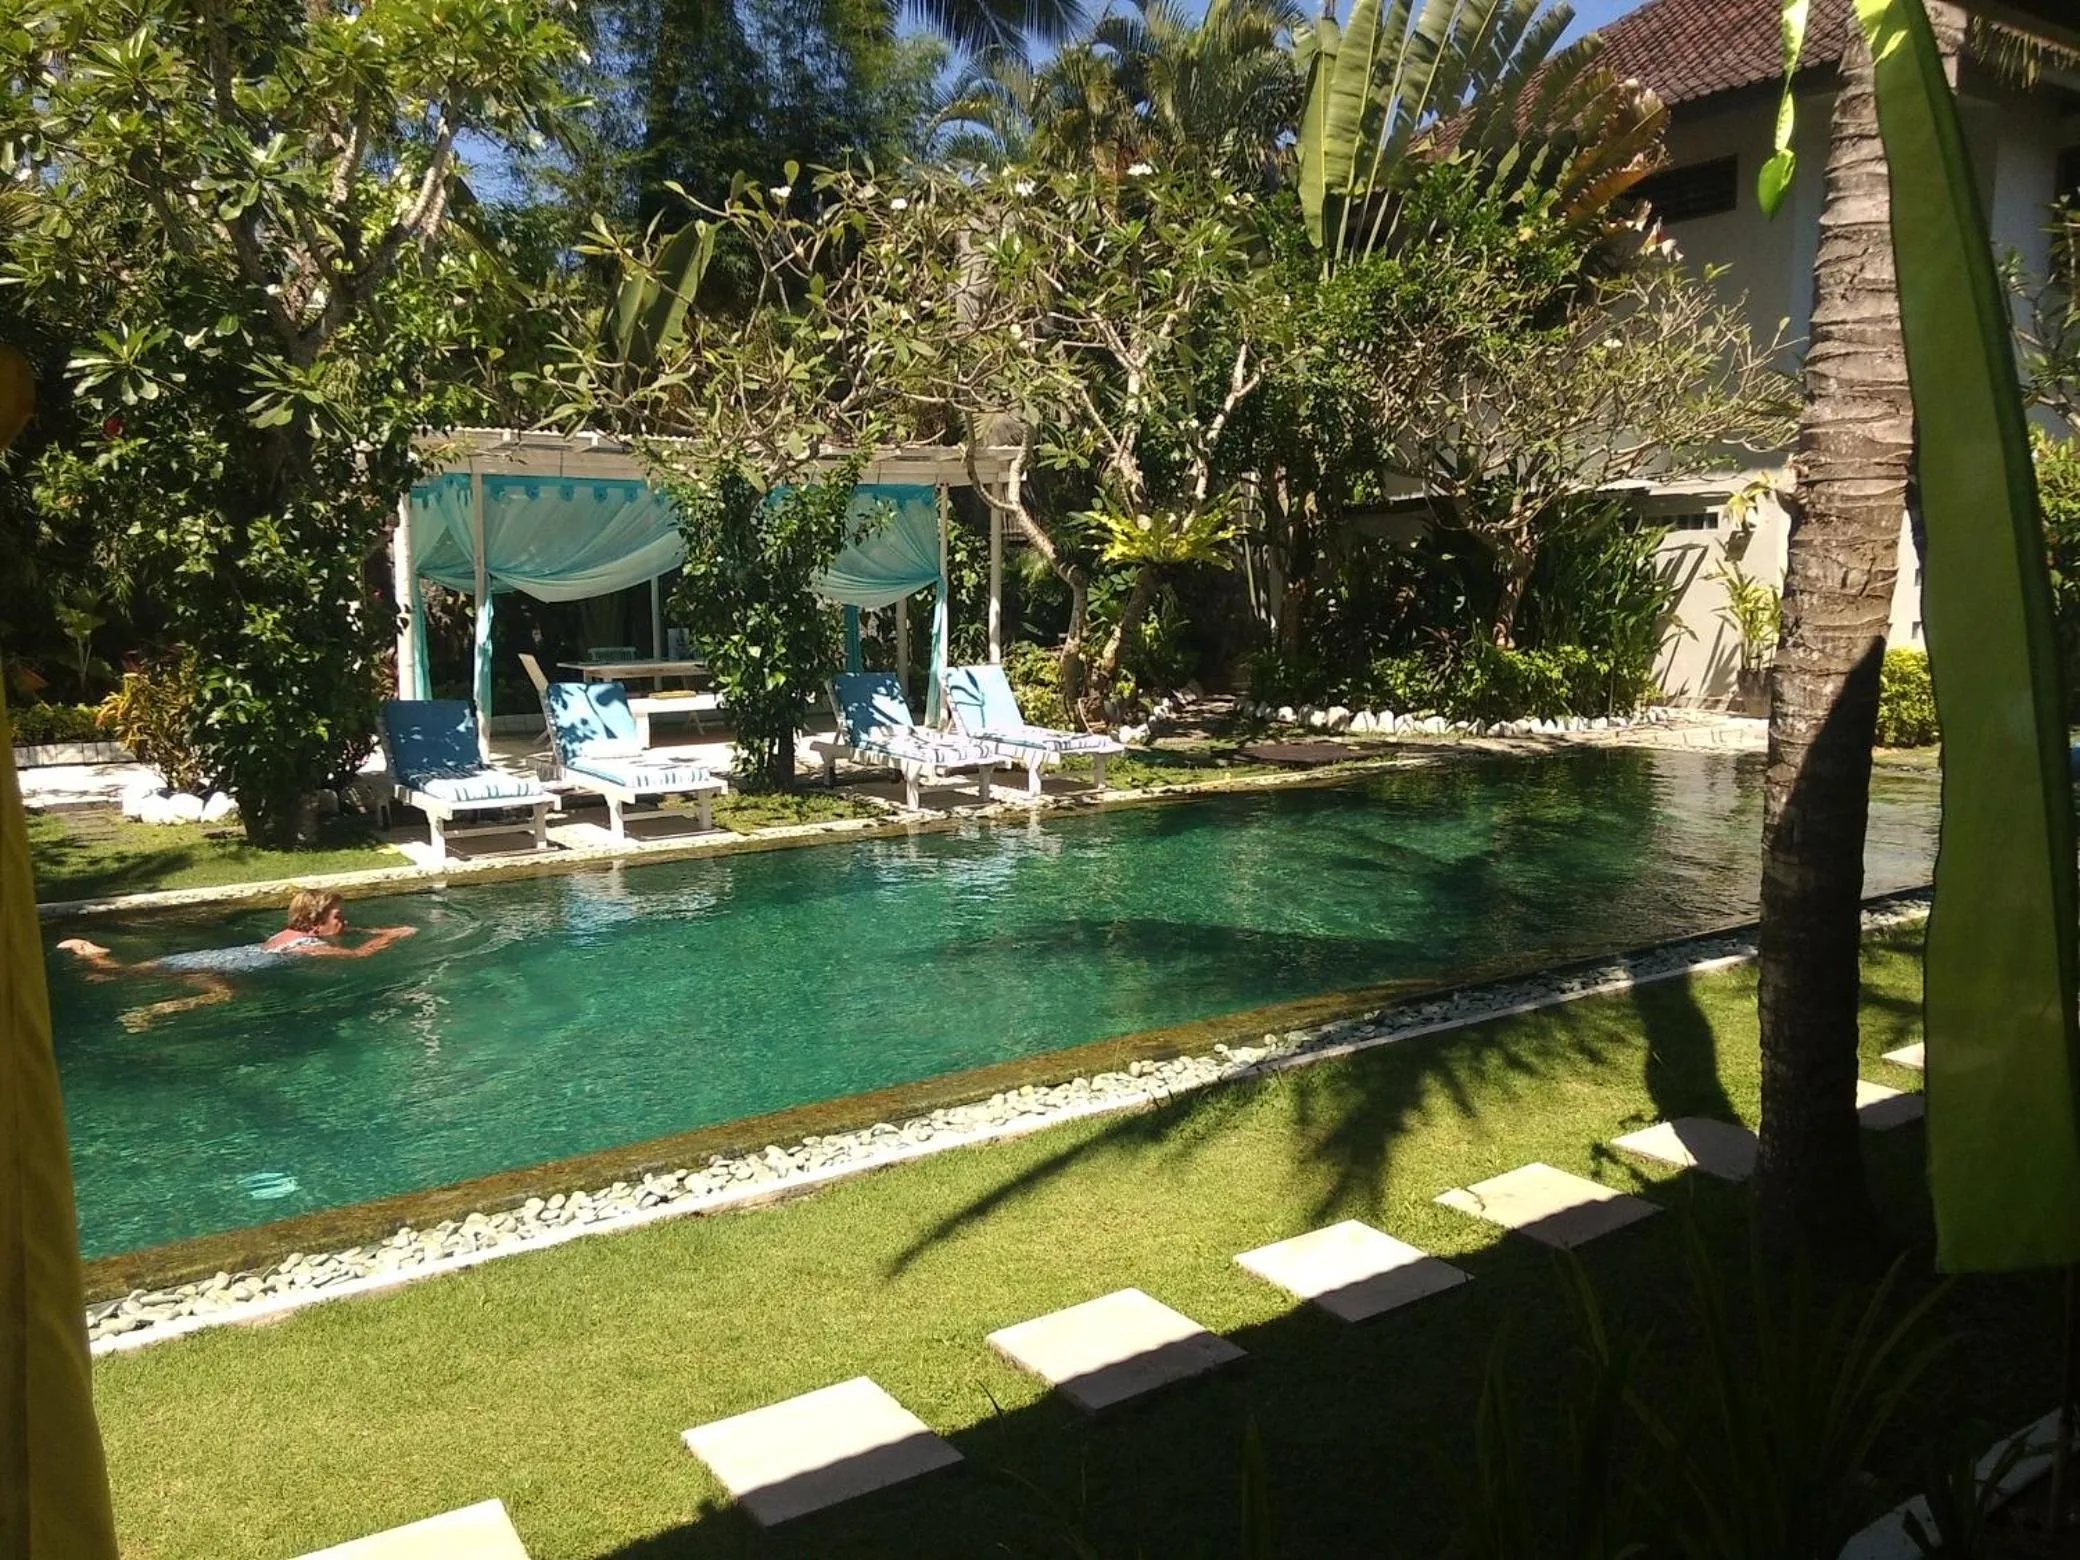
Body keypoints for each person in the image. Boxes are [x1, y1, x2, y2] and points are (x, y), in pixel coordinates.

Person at [56, 890, 415, 1031]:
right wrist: (386, 938)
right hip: (215, 969)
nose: (345, 922)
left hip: (212, 958)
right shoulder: (306, 947)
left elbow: (346, 934)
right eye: (339, 916)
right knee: (225, 996)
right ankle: (154, 1012)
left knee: (126, 973)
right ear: (316, 923)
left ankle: (89, 952)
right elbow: (355, 956)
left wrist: (377, 927)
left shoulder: (286, 936)